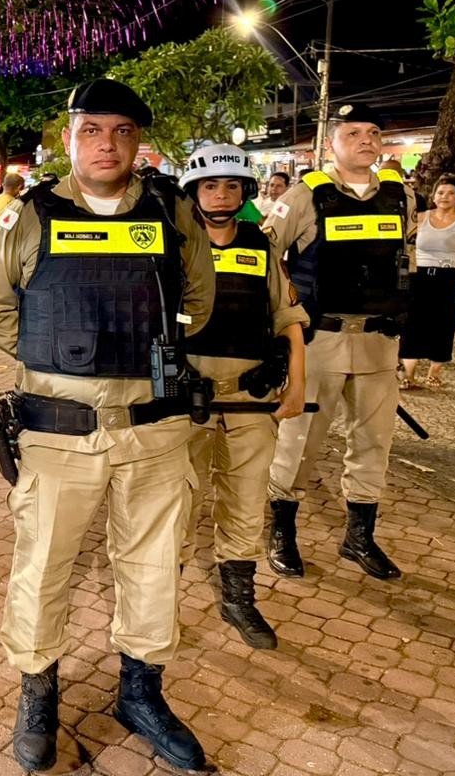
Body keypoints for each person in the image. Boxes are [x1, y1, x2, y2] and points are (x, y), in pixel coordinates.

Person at [0, 79, 214, 773]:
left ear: (138, 141)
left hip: (155, 428)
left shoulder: (172, 210)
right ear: (69, 138)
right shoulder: (30, 213)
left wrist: (157, 345)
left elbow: (199, 297)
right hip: (60, 429)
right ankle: (37, 692)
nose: (107, 144)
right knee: (44, 563)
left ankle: (141, 693)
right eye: (92, 131)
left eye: (122, 131)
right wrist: (51, 353)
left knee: (154, 565)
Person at [264, 102, 413, 582]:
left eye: (373, 132)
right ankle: (282, 531)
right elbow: (267, 255)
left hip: (377, 342)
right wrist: (286, 314)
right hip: (319, 340)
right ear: (331, 143)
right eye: (353, 133)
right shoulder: (305, 197)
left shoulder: (401, 196)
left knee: (373, 443)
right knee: (299, 441)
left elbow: (401, 258)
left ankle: (359, 537)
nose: (366, 140)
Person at [177, 144, 308, 649]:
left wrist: (297, 384)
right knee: (176, 503)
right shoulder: (175, 248)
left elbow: (288, 319)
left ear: (246, 192)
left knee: (246, 503)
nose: (221, 195)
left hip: (251, 401)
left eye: (232, 185)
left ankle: (238, 599)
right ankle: (160, 602)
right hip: (186, 401)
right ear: (194, 192)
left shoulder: (261, 245)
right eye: (210, 186)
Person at [399, 174, 455, 389]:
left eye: (451, 193)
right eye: (441, 192)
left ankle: (434, 372)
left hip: (451, 278)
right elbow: (405, 246)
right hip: (419, 277)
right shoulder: (420, 218)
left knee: (445, 324)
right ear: (433, 196)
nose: (445, 197)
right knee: (412, 324)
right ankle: (408, 374)